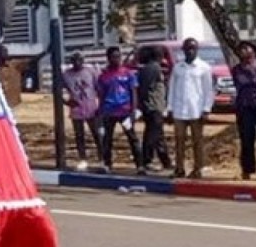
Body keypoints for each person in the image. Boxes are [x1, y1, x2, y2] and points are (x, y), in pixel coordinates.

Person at [168, 38, 217, 179]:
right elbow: (172, 88)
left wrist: (206, 109)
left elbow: (208, 90)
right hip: (179, 110)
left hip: (196, 110)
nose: (190, 51)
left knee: (197, 141)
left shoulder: (204, 67)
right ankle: (179, 168)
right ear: (183, 50)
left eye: (193, 48)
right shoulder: (178, 67)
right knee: (179, 141)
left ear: (197, 50)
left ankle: (198, 168)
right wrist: (170, 108)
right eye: (188, 48)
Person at [96, 46, 141, 174]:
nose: (117, 59)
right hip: (109, 111)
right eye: (114, 57)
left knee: (133, 138)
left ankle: (140, 165)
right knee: (107, 139)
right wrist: (100, 113)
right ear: (108, 58)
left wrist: (133, 111)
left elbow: (133, 92)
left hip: (125, 111)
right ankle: (107, 164)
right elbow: (101, 95)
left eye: (118, 56)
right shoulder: (103, 76)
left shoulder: (128, 73)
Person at [135, 46, 174, 174]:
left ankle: (165, 161)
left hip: (155, 105)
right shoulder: (153, 68)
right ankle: (146, 160)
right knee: (152, 135)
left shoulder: (151, 68)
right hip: (153, 106)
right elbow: (145, 88)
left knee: (158, 135)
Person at [61, 51, 102, 169]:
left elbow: (98, 88)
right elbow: (57, 89)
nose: (77, 63)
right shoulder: (66, 74)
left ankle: (102, 156)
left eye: (80, 60)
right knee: (79, 135)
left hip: (91, 108)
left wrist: (100, 105)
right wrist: (66, 102)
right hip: (76, 109)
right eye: (75, 61)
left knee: (97, 133)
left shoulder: (90, 71)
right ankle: (82, 158)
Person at [231, 41, 256, 180]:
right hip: (244, 107)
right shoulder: (236, 69)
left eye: (246, 48)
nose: (243, 51)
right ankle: (247, 169)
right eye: (241, 49)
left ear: (254, 51)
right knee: (246, 139)